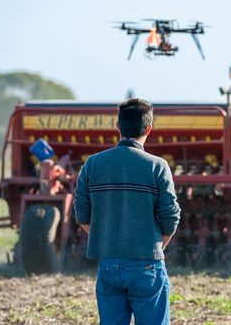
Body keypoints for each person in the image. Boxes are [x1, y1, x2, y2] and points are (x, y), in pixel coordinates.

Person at [74, 98, 181, 325]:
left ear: (118, 127)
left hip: (108, 264)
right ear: (149, 129)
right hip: (147, 264)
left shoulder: (93, 164)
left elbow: (81, 213)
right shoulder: (157, 165)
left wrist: (107, 241)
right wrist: (157, 245)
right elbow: (171, 216)